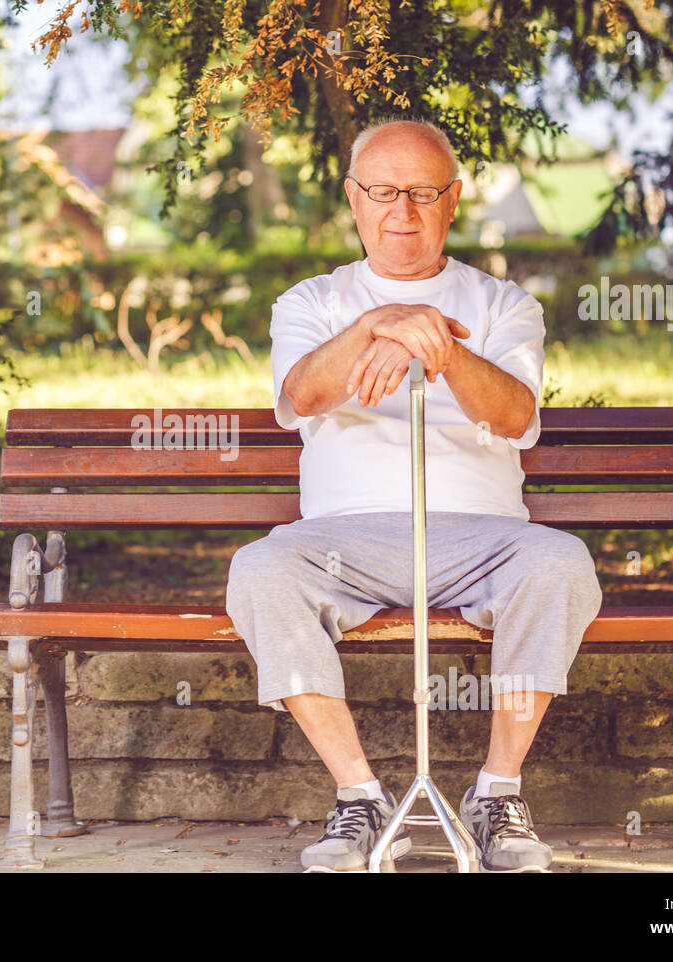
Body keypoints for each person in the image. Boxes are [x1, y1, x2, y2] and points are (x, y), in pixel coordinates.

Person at [225, 118, 604, 873]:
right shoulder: (311, 302)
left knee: (561, 565)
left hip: (483, 539)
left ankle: (497, 794)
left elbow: (516, 416)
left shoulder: (503, 304)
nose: (402, 210)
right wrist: (377, 323)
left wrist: (437, 340)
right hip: (343, 542)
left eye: (423, 193)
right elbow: (302, 394)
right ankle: (359, 798)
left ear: (453, 200)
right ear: (353, 198)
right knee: (260, 572)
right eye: (384, 191)